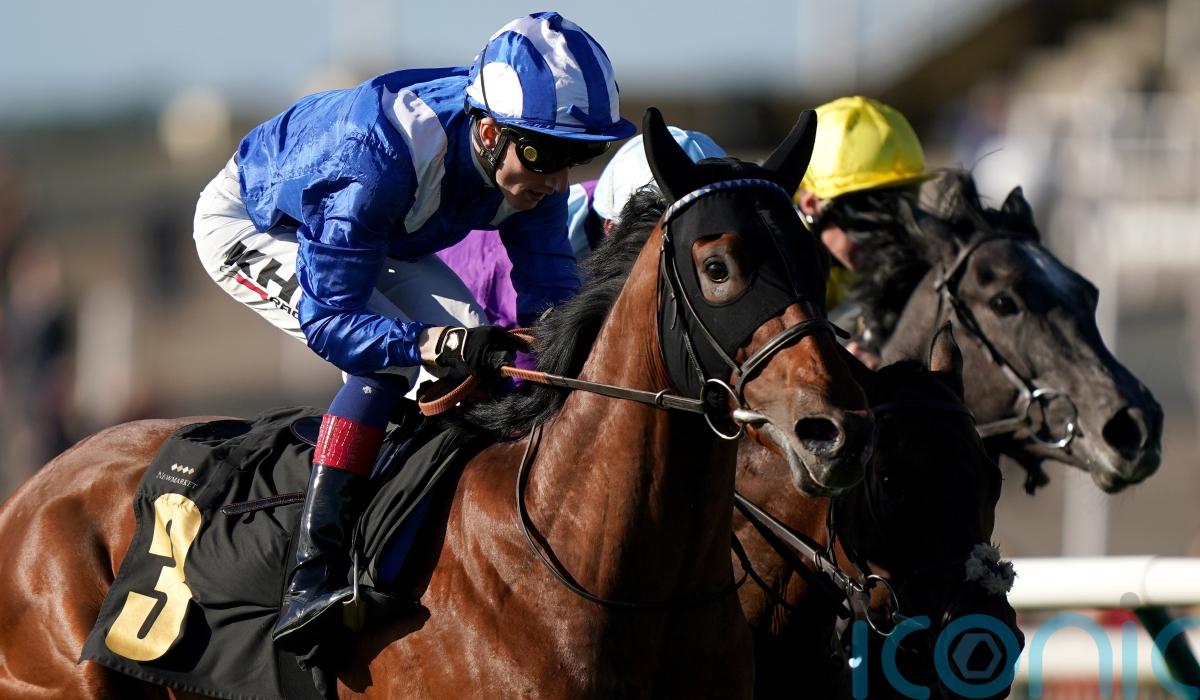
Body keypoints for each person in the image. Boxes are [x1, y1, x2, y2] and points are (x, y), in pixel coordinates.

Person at [191, 11, 635, 647]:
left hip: (379, 228)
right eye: (547, 154)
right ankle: (312, 575)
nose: (559, 179)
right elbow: (332, 322)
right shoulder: (375, 157)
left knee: (474, 340)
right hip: (261, 223)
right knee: (397, 361)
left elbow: (552, 302)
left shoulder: (521, 157)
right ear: (488, 131)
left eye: (581, 155)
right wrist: (429, 342)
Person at [437, 126, 726, 331]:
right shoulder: (537, 247)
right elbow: (529, 351)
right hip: (460, 304)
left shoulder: (613, 205)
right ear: (611, 229)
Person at [792, 96, 933, 364]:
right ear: (812, 203)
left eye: (901, 205)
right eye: (867, 215)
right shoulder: (766, 259)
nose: (886, 234)